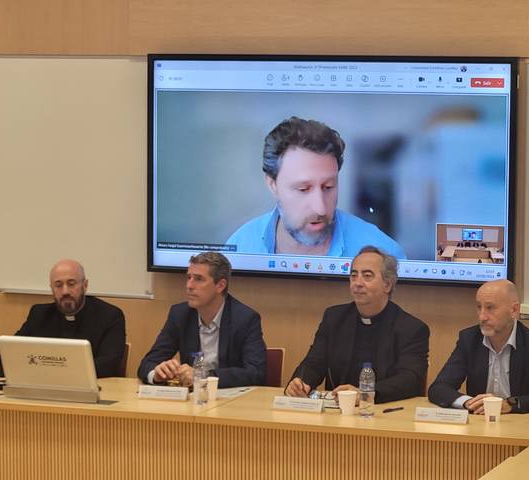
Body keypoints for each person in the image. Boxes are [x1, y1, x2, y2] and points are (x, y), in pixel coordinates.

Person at [226, 117, 406, 259]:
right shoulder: (239, 248)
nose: (320, 208)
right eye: (303, 189)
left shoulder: (384, 254)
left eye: (328, 187)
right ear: (273, 184)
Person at [284, 246, 429, 403]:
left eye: (367, 276)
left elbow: (410, 380)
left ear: (387, 284)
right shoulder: (334, 318)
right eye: (354, 276)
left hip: (385, 413)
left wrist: (366, 394)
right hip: (336, 412)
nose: (357, 283)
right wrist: (301, 383)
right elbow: (314, 363)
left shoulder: (411, 328)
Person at [428, 279, 529, 414]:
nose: (482, 316)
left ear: (514, 310)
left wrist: (511, 404)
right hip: (479, 424)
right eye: (479, 307)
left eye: (490, 308)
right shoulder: (469, 339)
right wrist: (469, 403)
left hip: (519, 425)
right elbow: (439, 388)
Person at [138, 252, 266, 388]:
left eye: (198, 279)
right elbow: (147, 364)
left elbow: (256, 373)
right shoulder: (180, 315)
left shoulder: (245, 319)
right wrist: (157, 374)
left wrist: (204, 376)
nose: (189, 285)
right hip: (191, 400)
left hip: (229, 401)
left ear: (220, 285)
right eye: (188, 277)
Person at [0, 259, 126, 378]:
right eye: (59, 285)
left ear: (85, 285)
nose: (65, 291)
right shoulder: (39, 315)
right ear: (52, 289)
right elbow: (2, 358)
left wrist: (47, 370)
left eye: (71, 283)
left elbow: (109, 364)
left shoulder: (110, 315)